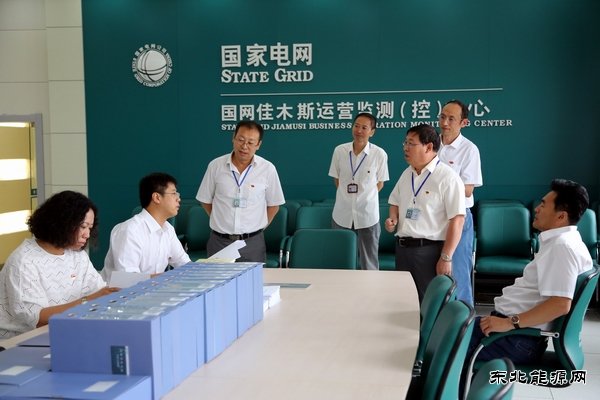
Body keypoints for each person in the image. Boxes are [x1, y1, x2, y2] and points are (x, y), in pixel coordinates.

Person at [465, 179, 593, 366]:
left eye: (543, 205)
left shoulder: (562, 247)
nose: (536, 209)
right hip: (512, 333)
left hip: (515, 339)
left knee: (445, 350)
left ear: (561, 216)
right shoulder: (565, 241)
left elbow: (560, 304)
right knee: (452, 330)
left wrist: (510, 322)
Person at [0, 191, 118, 339]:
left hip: (63, 331)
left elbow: (98, 290)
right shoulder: (24, 261)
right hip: (21, 340)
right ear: (61, 222)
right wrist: (88, 300)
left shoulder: (77, 255)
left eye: (90, 228)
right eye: (83, 226)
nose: (87, 234)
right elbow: (37, 318)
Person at [385, 123, 465, 302]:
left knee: (428, 303)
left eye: (411, 143)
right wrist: (393, 218)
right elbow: (394, 201)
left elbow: (457, 220)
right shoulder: (407, 174)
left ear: (428, 147)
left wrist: (446, 257)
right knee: (403, 301)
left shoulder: (448, 178)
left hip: (428, 252)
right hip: (403, 250)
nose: (406, 148)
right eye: (405, 143)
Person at [196, 120, 285, 262]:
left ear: (258, 145)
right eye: (241, 140)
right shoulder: (215, 166)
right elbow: (205, 200)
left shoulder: (267, 169)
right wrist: (221, 220)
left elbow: (274, 205)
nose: (244, 146)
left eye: (250, 142)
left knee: (253, 277)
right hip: (220, 241)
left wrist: (258, 227)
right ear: (233, 138)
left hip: (252, 243)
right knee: (218, 277)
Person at [102, 172, 191, 281]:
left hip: (152, 288)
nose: (178, 199)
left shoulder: (168, 229)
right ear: (157, 197)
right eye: (173, 193)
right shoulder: (130, 231)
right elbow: (127, 279)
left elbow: (184, 264)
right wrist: (167, 278)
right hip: (120, 291)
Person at [328, 112, 389, 270]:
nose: (359, 130)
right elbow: (337, 180)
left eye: (364, 127)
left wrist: (364, 197)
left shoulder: (379, 154)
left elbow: (380, 183)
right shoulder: (339, 151)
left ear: (372, 132)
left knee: (369, 262)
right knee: (340, 260)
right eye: (356, 126)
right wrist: (349, 198)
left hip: (367, 214)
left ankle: (371, 287)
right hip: (342, 214)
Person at [438, 99, 483, 306]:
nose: (444, 123)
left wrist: (441, 188)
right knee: (437, 274)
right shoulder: (431, 143)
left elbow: (468, 189)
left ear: (464, 122)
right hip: (433, 217)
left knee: (458, 273)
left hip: (457, 217)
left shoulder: (469, 149)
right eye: (442, 117)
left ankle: (464, 319)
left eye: (451, 119)